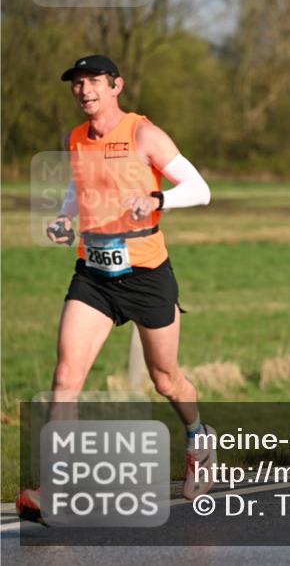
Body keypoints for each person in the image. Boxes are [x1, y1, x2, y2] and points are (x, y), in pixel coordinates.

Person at [17, 55, 216, 521]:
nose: (84, 90)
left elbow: (200, 189)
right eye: (77, 83)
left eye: (94, 82)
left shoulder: (144, 134)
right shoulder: (76, 139)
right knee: (66, 376)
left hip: (147, 274)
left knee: (165, 379)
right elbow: (79, 186)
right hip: (94, 275)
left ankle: (199, 437)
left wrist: (157, 197)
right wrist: (65, 217)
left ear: (116, 86)